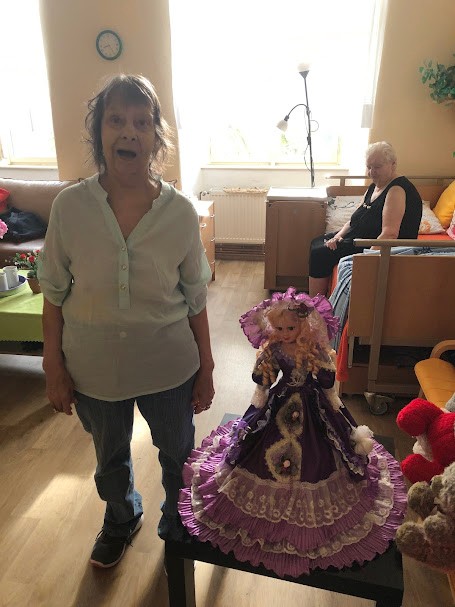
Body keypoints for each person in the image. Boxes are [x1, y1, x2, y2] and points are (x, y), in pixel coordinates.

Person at [38, 74, 215, 568]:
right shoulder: (70, 207)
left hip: (168, 367)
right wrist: (53, 365)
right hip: (94, 370)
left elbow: (195, 297)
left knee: (178, 453)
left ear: (156, 137)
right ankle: (121, 517)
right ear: (99, 133)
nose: (128, 132)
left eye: (141, 122)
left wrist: (207, 365)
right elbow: (53, 294)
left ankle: (178, 519)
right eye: (116, 120)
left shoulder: (180, 213)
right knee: (109, 460)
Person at [178, 288, 407, 578]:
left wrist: (326, 378)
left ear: (304, 325)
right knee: (259, 442)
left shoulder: (311, 349)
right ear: (271, 327)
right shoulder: (274, 351)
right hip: (281, 400)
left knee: (324, 447)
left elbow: (326, 382)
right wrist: (262, 381)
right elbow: (264, 382)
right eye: (279, 328)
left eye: (291, 328)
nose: (285, 334)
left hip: (312, 403)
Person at [308, 141, 422, 297]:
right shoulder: (374, 186)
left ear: (393, 164)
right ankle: (320, 299)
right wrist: (338, 236)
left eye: (377, 167)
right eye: (369, 167)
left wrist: (367, 261)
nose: (371, 172)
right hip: (360, 237)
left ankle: (316, 304)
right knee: (317, 243)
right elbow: (354, 219)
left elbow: (389, 234)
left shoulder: (397, 190)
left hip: (375, 246)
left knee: (320, 253)